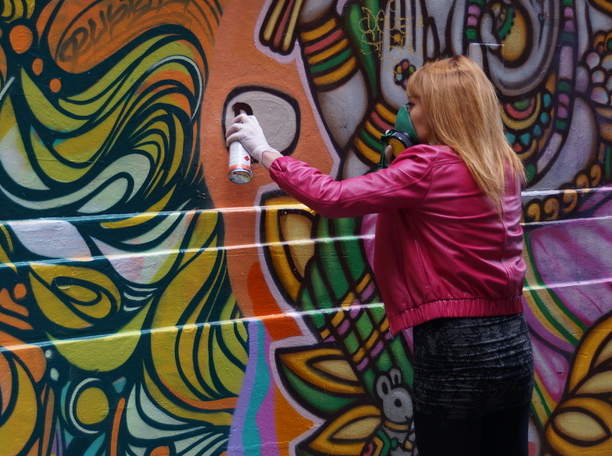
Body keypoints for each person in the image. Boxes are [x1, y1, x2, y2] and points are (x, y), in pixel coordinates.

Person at [225, 55, 534, 456]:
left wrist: (265, 151)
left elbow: (331, 197)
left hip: (454, 351)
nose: (407, 112)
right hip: (512, 345)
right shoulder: (501, 163)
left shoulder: (426, 166)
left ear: (440, 111)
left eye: (415, 103)